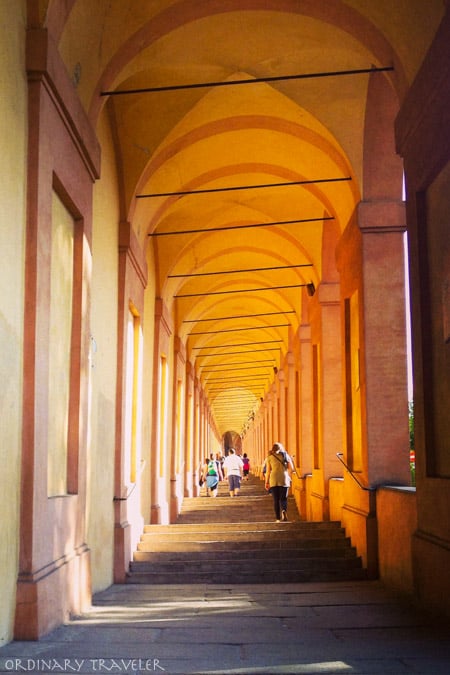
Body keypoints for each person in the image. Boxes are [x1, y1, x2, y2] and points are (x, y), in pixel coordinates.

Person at [264, 442, 294, 522]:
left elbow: (268, 471)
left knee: (276, 500)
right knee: (283, 499)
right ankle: (283, 510)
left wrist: (266, 482)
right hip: (284, 478)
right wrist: (288, 474)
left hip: (274, 479)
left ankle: (277, 518)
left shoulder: (269, 458)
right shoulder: (285, 456)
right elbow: (291, 468)